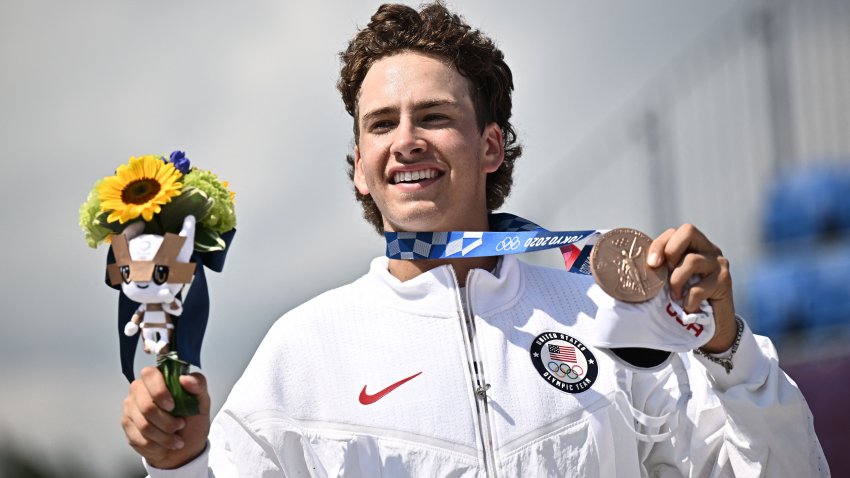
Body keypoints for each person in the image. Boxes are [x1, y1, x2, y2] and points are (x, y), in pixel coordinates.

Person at [121, 3, 829, 476]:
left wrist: (729, 350)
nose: (405, 141)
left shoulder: (609, 318)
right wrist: (180, 460)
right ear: (361, 170)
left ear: (490, 147)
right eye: (380, 124)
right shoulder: (301, 353)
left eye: (433, 116)